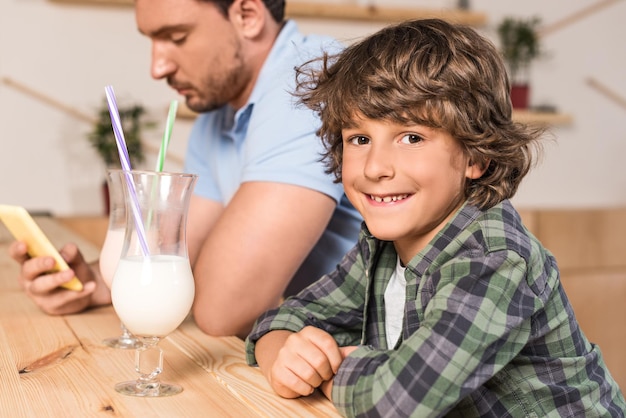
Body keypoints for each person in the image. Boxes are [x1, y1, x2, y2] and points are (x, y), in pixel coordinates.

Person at [245, 18, 626, 417]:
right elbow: (285, 318)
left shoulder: (493, 260)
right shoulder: (382, 245)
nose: (375, 167)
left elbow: (399, 401)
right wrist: (285, 355)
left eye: (411, 137)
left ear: (476, 155)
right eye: (359, 139)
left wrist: (330, 369)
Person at [8, 0, 361, 339]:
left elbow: (224, 309)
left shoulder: (308, 84)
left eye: (176, 38)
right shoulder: (218, 114)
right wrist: (90, 285)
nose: (157, 67)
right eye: (151, 40)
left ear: (248, 15)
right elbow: (173, 253)